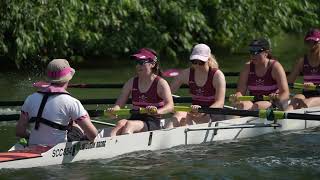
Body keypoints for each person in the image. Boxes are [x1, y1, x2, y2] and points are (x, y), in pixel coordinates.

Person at [16, 59, 98, 146]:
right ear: (68, 79)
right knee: (76, 125)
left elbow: (19, 132)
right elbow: (93, 135)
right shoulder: (71, 102)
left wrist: (31, 136)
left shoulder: (30, 98)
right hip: (58, 147)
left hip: (33, 144)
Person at [107, 48, 174, 136]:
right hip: (135, 117)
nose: (138, 66)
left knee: (130, 125)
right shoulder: (131, 82)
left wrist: (157, 111)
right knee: (120, 123)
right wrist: (114, 111)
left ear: (152, 64)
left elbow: (170, 106)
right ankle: (109, 144)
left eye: (142, 62)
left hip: (152, 121)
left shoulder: (161, 83)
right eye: (137, 62)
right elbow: (119, 105)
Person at [166, 43, 226, 128]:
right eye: (194, 62)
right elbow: (167, 92)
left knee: (189, 118)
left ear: (208, 60)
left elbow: (220, 102)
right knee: (179, 113)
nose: (197, 65)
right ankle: (164, 137)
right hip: (194, 112)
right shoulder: (186, 74)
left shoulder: (217, 75)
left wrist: (203, 111)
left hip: (213, 113)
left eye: (201, 62)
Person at [230, 38, 290, 110]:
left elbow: (285, 93)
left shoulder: (275, 67)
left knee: (257, 106)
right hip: (253, 103)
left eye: (256, 52)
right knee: (241, 105)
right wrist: (236, 97)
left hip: (272, 102)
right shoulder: (247, 67)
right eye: (251, 51)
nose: (253, 55)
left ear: (266, 53)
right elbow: (240, 92)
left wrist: (277, 99)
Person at [287, 28, 320, 110]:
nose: (311, 45)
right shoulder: (302, 62)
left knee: (305, 103)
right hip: (306, 93)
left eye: (314, 42)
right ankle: (285, 120)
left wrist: (314, 86)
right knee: (295, 100)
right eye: (309, 42)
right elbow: (289, 82)